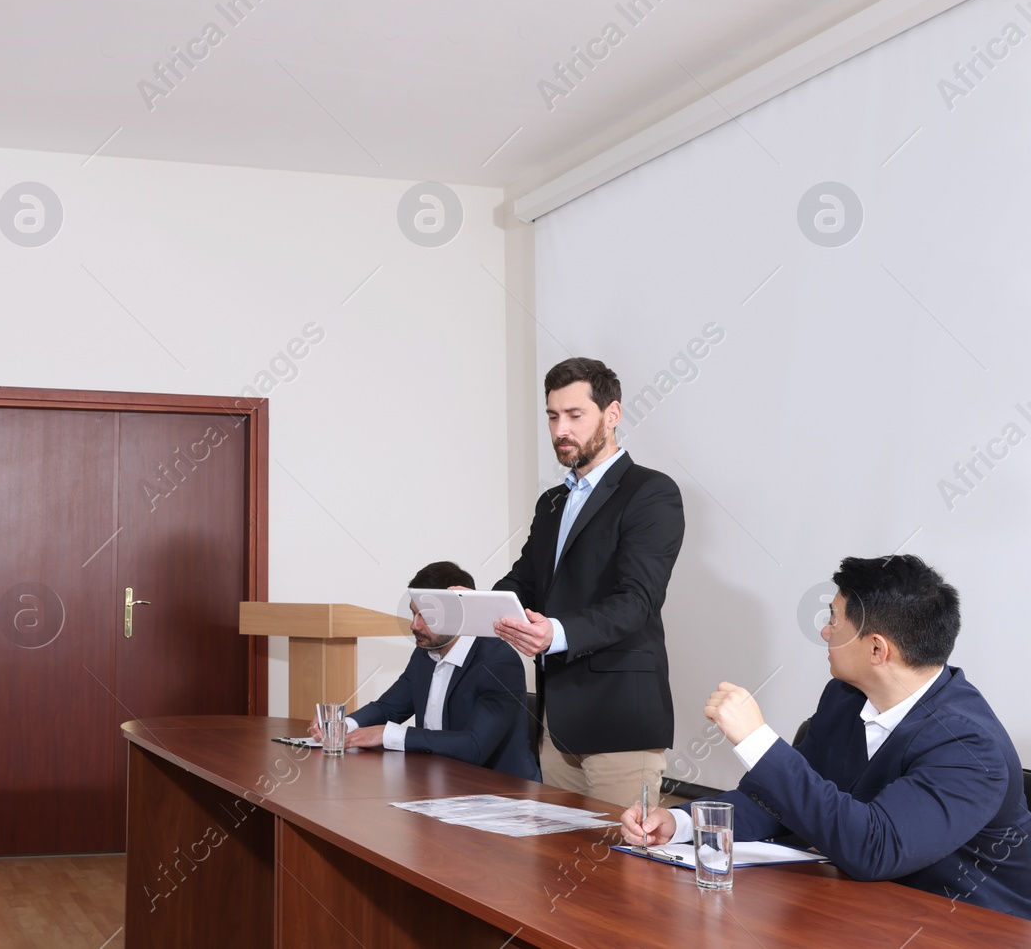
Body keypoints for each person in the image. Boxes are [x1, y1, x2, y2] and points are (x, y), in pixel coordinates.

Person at [622, 555, 1031, 920]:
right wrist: (681, 822)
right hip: (863, 911)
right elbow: (782, 802)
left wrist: (756, 740)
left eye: (835, 620)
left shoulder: (968, 745)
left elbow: (876, 849)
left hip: (966, 927)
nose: (824, 631)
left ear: (877, 650)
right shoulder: (846, 696)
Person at [491, 357, 685, 809]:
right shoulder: (552, 502)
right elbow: (525, 581)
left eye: (575, 415)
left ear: (611, 415)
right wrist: (476, 603)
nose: (561, 429)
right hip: (557, 725)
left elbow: (637, 600)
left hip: (620, 723)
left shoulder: (651, 492)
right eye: (553, 416)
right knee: (556, 865)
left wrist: (554, 633)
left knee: (622, 872)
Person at [312, 561, 539, 780]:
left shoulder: (498, 661)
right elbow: (389, 707)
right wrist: (343, 726)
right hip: (439, 783)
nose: (414, 626)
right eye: (414, 613)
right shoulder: (426, 652)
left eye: (426, 617)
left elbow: (474, 746)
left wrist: (388, 734)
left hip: (499, 795)